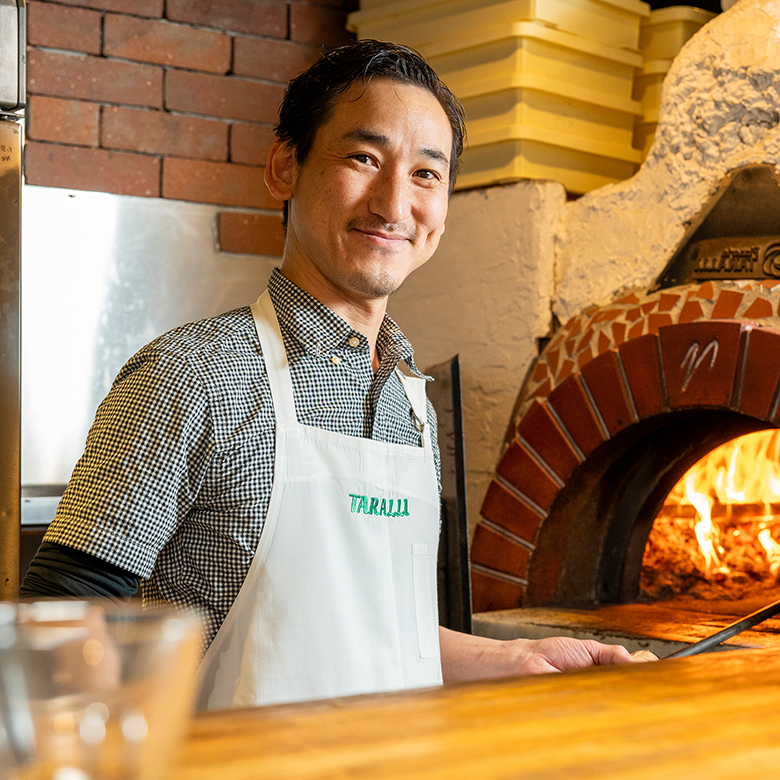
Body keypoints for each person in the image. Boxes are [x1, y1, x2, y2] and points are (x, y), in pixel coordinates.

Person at [22, 39, 639, 708]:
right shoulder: (193, 375)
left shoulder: (410, 402)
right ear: (284, 166)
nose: (394, 204)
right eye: (363, 158)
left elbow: (374, 637)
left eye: (426, 174)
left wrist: (516, 658)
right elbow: (56, 637)